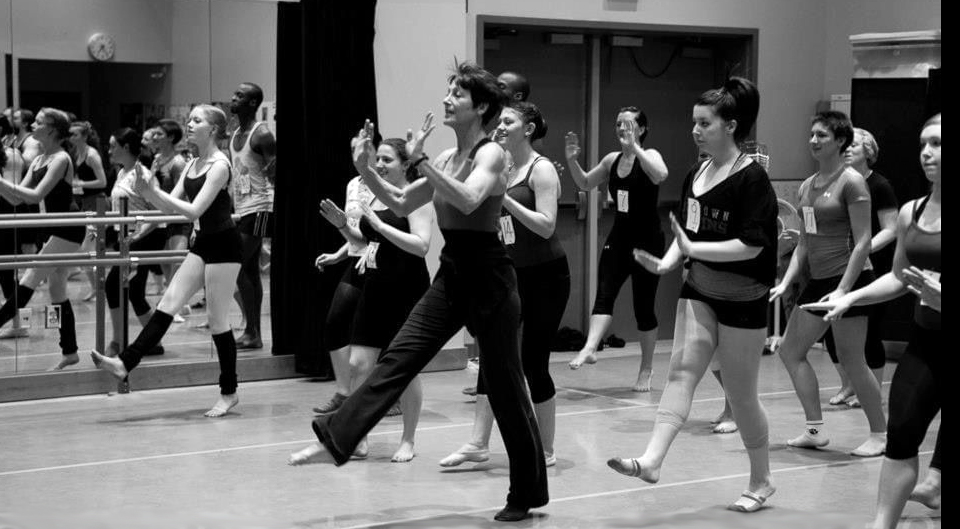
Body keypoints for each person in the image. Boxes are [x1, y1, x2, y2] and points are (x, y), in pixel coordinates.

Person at [289, 62, 548, 522]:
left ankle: (524, 494)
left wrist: (418, 160)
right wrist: (366, 170)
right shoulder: (446, 159)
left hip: (490, 279)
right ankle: (336, 439)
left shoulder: (492, 156)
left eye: (457, 94)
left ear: (481, 107)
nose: (447, 99)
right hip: (452, 276)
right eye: (448, 91)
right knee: (398, 358)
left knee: (506, 388)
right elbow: (403, 201)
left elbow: (469, 199)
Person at [607, 78, 777, 512]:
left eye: (705, 123)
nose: (696, 130)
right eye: (694, 123)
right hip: (699, 290)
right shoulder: (696, 173)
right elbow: (687, 231)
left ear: (731, 126)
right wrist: (668, 262)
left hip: (743, 299)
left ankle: (761, 480)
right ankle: (651, 461)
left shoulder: (753, 179)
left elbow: (752, 245)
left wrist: (692, 250)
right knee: (681, 374)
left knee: (741, 397)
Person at [802, 113, 940, 529]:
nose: (928, 153)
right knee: (901, 431)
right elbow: (898, 278)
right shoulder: (912, 211)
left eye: (937, 143)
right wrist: (850, 295)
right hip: (927, 343)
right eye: (923, 144)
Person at [92, 105, 243, 418]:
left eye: (196, 121)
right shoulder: (191, 164)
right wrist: (150, 192)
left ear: (213, 129)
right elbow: (167, 207)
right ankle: (125, 363)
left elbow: (192, 211)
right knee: (167, 304)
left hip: (225, 247)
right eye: (189, 120)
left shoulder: (219, 165)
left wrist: (154, 192)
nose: (189, 124)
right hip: (202, 244)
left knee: (218, 322)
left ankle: (229, 392)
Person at [440, 101, 568, 469]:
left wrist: (506, 198)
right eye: (500, 121)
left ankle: (546, 449)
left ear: (527, 129)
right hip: (509, 271)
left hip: (546, 276)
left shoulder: (541, 171)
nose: (500, 126)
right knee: (493, 356)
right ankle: (479, 443)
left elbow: (546, 225)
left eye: (508, 121)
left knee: (533, 362)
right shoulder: (497, 164)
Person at [310, 137, 434, 462]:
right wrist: (342, 226)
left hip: (406, 288)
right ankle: (359, 436)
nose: (379, 164)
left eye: (387, 160)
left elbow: (421, 245)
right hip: (376, 285)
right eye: (376, 158)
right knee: (358, 365)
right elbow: (366, 242)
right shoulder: (376, 197)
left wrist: (380, 226)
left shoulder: (417, 197)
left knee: (404, 369)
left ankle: (408, 440)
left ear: (406, 165)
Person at [770, 111, 886, 457]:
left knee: (852, 360)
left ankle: (880, 434)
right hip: (818, 281)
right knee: (791, 352)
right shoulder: (808, 185)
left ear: (840, 141)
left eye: (821, 135)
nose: (813, 141)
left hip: (849, 280)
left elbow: (864, 241)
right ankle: (815, 430)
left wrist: (843, 290)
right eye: (812, 134)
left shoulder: (852, 182)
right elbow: (804, 243)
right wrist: (786, 281)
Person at [564, 107, 668, 392]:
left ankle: (646, 368)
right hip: (619, 237)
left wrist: (636, 148)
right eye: (619, 124)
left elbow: (660, 175)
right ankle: (589, 347)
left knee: (643, 307)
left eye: (629, 124)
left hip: (648, 242)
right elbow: (585, 182)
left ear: (642, 129)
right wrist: (572, 161)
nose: (622, 129)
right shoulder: (612, 160)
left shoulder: (651, 156)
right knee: (604, 293)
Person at [0, 108, 85, 370]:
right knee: (56, 291)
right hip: (47, 229)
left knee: (29, 279)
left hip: (67, 228)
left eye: (38, 122)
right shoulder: (38, 159)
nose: (32, 125)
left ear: (51, 130)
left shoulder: (60, 159)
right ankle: (69, 351)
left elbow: (35, 195)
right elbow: (17, 198)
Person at [823, 128, 897, 407]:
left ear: (869, 151)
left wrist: (863, 250)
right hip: (838, 266)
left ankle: (871, 390)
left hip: (871, 268)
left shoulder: (879, 185)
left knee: (869, 336)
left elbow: (890, 229)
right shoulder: (837, 182)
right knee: (834, 332)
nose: (848, 149)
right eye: (845, 145)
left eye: (855, 145)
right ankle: (848, 386)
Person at [102, 128, 168, 357]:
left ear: (127, 148)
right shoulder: (122, 172)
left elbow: (159, 211)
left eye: (113, 146)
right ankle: (153, 341)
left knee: (113, 285)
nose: (109, 150)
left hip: (144, 238)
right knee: (135, 292)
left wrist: (137, 236)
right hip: (128, 238)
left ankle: (118, 342)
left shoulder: (143, 174)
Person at [228, 82, 277, 349]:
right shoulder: (235, 134)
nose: (232, 98)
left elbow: (274, 172)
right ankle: (253, 332)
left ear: (252, 103)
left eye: (239, 95)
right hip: (243, 208)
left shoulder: (262, 135)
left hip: (261, 207)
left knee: (236, 264)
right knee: (248, 270)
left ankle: (252, 330)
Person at [68, 121, 109, 302]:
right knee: (86, 251)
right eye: (70, 134)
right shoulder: (76, 153)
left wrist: (82, 184)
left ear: (84, 136)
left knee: (87, 249)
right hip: (85, 203)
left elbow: (103, 182)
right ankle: (97, 288)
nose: (71, 137)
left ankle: (101, 287)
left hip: (98, 203)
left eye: (75, 134)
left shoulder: (92, 155)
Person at [152, 119, 190, 302]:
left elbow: (183, 194)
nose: (154, 137)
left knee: (176, 261)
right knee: (164, 262)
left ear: (171, 138)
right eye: (154, 133)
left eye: (159, 134)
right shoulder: (157, 160)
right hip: (161, 217)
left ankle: (173, 303)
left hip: (178, 218)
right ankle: (177, 302)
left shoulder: (178, 163)